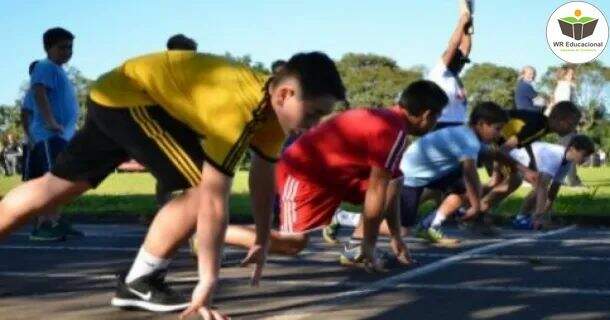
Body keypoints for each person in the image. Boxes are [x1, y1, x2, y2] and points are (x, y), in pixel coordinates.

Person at [0, 50, 345, 317]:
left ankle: (140, 281)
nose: (315, 125)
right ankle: (141, 281)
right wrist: (208, 280)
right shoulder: (237, 110)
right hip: (132, 99)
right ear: (285, 94)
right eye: (313, 113)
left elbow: (262, 174)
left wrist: (263, 238)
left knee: (58, 186)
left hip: (115, 94)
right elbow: (213, 201)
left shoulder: (270, 113)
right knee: (201, 187)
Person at [222, 80, 448, 268]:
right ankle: (211, 232)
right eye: (437, 118)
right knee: (293, 243)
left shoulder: (388, 121)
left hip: (333, 179)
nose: (435, 124)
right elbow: (377, 190)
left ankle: (355, 249)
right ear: (426, 115)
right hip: (302, 175)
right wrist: (372, 244)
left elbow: (388, 187)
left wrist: (396, 237)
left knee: (395, 179)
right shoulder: (392, 130)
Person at [405, 102, 508, 245]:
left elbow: (493, 153)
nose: (500, 134)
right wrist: (476, 206)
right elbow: (469, 174)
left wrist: (522, 169)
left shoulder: (467, 135)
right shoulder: (469, 141)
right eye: (497, 129)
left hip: (424, 174)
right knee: (400, 229)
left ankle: (429, 225)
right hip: (410, 176)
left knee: (467, 189)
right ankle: (363, 224)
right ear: (481, 124)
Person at [26, 27, 82, 241]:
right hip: (49, 136)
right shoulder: (45, 66)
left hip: (61, 136)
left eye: (70, 47)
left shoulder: (58, 70)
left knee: (61, 180)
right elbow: (39, 93)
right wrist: (51, 121)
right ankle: (45, 224)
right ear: (48, 48)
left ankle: (55, 221)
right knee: (53, 182)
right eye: (62, 47)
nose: (67, 51)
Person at [480, 101, 582, 215]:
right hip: (487, 136)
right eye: (572, 124)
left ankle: (467, 206)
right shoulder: (538, 126)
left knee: (497, 182)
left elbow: (521, 144)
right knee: (515, 180)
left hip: (490, 136)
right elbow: (503, 150)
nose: (573, 129)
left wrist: (530, 168)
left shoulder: (541, 124)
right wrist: (526, 170)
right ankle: (479, 210)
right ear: (559, 120)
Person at [511, 135, 594, 230]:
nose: (586, 159)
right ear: (572, 149)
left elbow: (554, 188)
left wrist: (546, 213)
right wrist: (539, 216)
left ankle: (525, 217)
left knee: (539, 186)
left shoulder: (567, 162)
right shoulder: (556, 156)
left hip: (528, 162)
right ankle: (522, 218)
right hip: (512, 158)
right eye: (584, 155)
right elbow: (543, 186)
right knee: (539, 186)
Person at [427, 12, 472, 129]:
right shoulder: (439, 72)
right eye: (461, 61)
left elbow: (466, 48)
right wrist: (461, 23)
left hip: (458, 125)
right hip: (441, 125)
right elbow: (453, 45)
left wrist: (468, 25)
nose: (462, 64)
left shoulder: (454, 76)